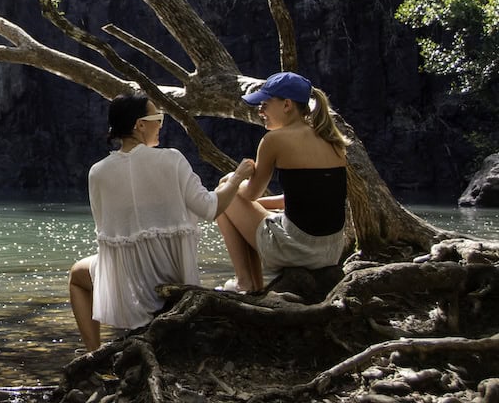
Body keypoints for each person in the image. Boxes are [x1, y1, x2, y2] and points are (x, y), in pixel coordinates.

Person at [68, 93, 255, 352]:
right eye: (158, 118)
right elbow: (211, 207)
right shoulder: (171, 159)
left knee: (77, 276)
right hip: (175, 279)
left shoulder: (97, 172)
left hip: (130, 287)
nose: (161, 124)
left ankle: (94, 353)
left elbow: (108, 236)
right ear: (140, 125)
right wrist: (236, 179)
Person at [216, 71, 349, 293]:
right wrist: (259, 206)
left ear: (287, 105)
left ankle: (246, 282)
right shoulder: (331, 140)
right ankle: (253, 284)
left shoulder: (274, 140)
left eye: (265, 104)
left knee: (224, 190)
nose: (260, 111)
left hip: (299, 250)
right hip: (331, 250)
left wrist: (236, 178)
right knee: (233, 194)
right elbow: (308, 198)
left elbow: (249, 195)